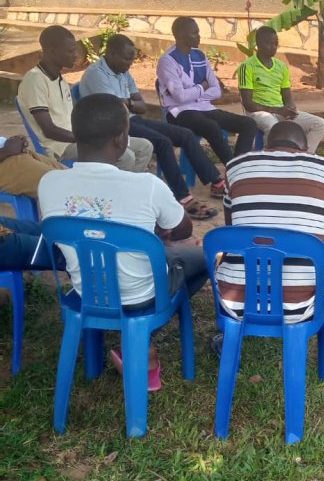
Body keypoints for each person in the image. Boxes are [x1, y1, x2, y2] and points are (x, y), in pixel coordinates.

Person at [38, 93, 209, 391]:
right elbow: (183, 229)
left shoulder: (49, 183)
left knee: (152, 248)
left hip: (86, 291)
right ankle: (144, 344)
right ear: (121, 139)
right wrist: (158, 236)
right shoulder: (146, 185)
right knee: (202, 257)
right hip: (141, 296)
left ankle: (129, 343)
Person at [215, 120, 324, 368]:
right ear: (305, 150)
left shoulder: (235, 167)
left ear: (266, 145)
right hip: (302, 304)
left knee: (243, 245)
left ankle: (230, 339)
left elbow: (233, 230)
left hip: (236, 301)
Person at [80, 33, 224, 219]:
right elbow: (115, 108)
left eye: (132, 59)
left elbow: (141, 106)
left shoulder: (123, 72)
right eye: (127, 59)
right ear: (112, 54)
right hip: (112, 126)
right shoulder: (96, 74)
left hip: (130, 119)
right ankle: (183, 198)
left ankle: (216, 182)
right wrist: (128, 103)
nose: (130, 64)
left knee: (185, 134)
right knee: (162, 142)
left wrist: (127, 102)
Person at [17, 25, 153, 171]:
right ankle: (114, 190)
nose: (75, 55)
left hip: (79, 139)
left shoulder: (60, 80)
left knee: (144, 147)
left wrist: (96, 134)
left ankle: (123, 187)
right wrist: (87, 139)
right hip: (60, 148)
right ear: (52, 51)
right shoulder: (35, 80)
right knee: (126, 158)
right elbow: (49, 130)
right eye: (71, 51)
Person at [156, 17, 257, 165]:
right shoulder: (168, 61)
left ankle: (237, 166)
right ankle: (233, 167)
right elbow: (180, 98)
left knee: (248, 124)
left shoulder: (200, 56)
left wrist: (193, 93)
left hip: (205, 108)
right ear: (181, 35)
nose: (199, 36)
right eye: (194, 33)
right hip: (179, 112)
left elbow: (216, 91)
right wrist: (202, 87)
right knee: (211, 126)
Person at [237, 26, 324, 153]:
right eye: (269, 43)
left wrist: (290, 109)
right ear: (258, 44)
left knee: (320, 124)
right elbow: (248, 103)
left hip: (280, 111)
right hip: (258, 113)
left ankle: (303, 158)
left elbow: (287, 95)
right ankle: (270, 160)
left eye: (276, 43)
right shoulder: (247, 66)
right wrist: (277, 110)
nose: (274, 47)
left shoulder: (281, 66)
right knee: (274, 127)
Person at [0, 134, 66, 197]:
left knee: (70, 178)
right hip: (6, 161)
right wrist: (7, 150)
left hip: (12, 153)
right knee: (63, 186)